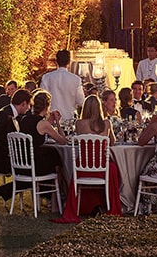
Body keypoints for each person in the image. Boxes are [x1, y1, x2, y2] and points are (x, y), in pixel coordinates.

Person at [54, 94, 121, 222]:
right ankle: (107, 204)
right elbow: (112, 143)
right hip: (101, 167)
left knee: (108, 167)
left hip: (83, 167)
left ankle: (88, 205)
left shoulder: (79, 124)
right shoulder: (106, 123)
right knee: (113, 167)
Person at [0, 89, 33, 209]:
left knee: (32, 171)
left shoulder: (9, 113)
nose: (28, 108)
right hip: (1, 160)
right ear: (23, 103)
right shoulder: (3, 115)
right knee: (32, 172)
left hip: (7, 157)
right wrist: (7, 152)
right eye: (28, 105)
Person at [18, 90, 66, 175]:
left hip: (23, 161)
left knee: (52, 154)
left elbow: (37, 130)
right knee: (57, 155)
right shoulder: (43, 124)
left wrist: (49, 122)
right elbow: (63, 141)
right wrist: (58, 122)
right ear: (47, 106)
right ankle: (62, 186)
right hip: (36, 165)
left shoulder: (25, 119)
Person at [40, 50, 85, 121]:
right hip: (69, 119)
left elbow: (41, 99)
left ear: (56, 61)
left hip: (51, 119)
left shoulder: (47, 77)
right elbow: (81, 101)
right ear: (69, 62)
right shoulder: (76, 79)